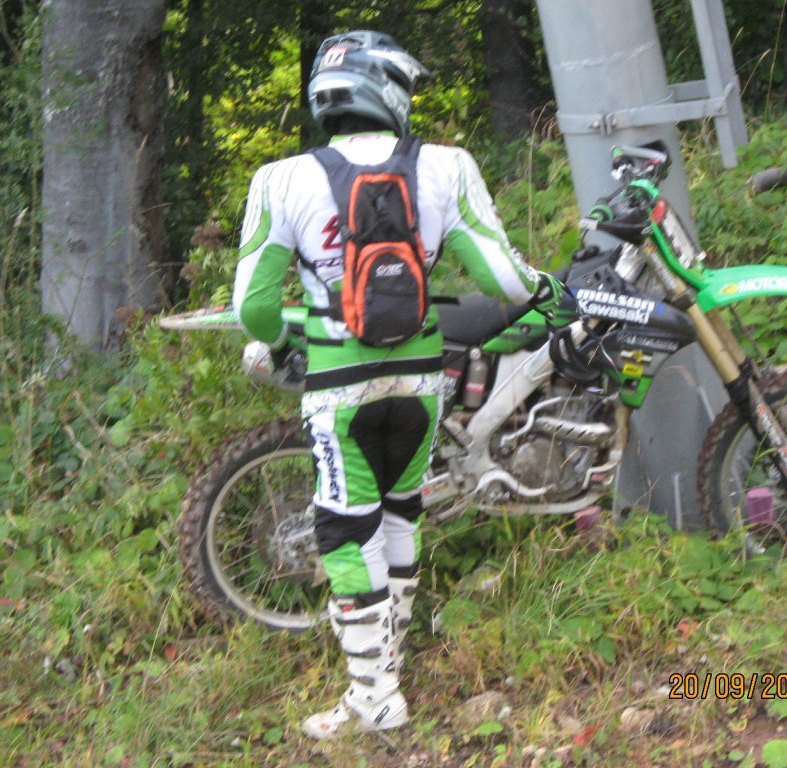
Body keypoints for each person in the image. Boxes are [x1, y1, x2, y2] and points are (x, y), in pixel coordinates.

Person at [232, 29, 571, 740]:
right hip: (420, 380)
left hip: (339, 386)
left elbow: (253, 309)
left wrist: (284, 342)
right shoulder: (446, 167)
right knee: (400, 513)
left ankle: (375, 697)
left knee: (344, 526)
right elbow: (505, 280)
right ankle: (388, 671)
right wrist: (552, 291)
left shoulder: (280, 180)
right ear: (387, 90)